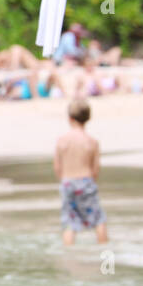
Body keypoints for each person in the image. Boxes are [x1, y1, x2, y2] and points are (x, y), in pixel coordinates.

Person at [54, 98, 107, 245]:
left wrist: (64, 179)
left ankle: (69, 252)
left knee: (69, 221)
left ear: (69, 118)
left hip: (67, 181)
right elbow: (95, 168)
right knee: (98, 219)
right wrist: (90, 181)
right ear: (88, 118)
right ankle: (105, 250)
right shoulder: (91, 141)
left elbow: (57, 167)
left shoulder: (62, 140)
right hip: (86, 180)